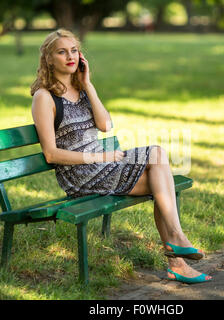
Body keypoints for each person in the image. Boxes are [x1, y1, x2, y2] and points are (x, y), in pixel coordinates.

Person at [30, 28, 211, 284]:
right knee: (162, 181)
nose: (70, 56)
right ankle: (177, 254)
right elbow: (50, 154)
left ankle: (177, 247)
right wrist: (97, 157)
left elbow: (105, 126)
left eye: (74, 51)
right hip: (80, 175)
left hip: (103, 165)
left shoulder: (82, 90)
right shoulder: (44, 97)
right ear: (49, 59)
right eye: (61, 52)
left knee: (158, 158)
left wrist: (89, 85)